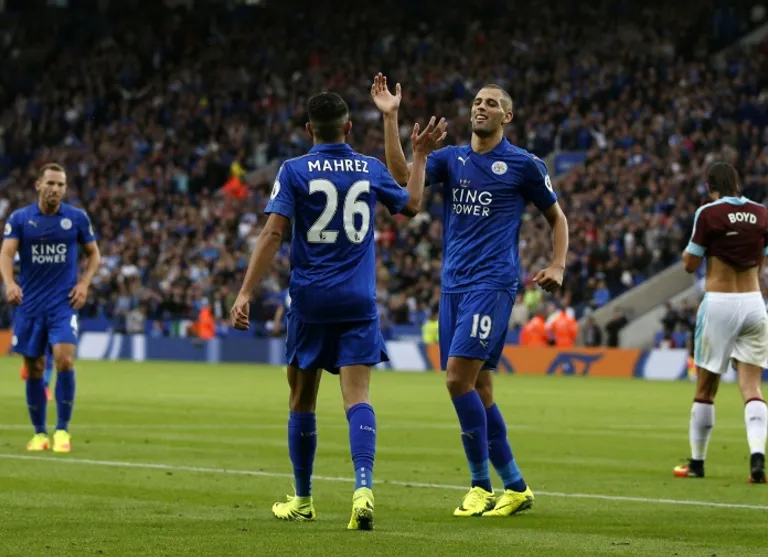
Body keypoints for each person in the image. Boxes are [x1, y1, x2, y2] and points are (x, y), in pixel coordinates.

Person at [229, 92, 446, 530]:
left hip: (310, 301)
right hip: (358, 301)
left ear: (309, 130)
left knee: (301, 400)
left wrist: (246, 291)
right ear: (348, 128)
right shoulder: (368, 168)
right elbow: (412, 205)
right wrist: (419, 153)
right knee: (358, 398)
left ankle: (303, 499)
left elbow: (273, 233)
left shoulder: (294, 170)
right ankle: (362, 488)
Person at [373, 73, 569, 516]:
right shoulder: (452, 159)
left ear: (507, 116)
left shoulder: (523, 164)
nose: (481, 107)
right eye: (478, 101)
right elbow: (403, 179)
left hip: (492, 284)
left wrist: (558, 264)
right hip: (453, 287)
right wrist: (391, 119)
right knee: (479, 388)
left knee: (456, 380)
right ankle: (515, 486)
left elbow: (557, 217)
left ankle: (480, 485)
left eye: (491, 103)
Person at [674, 162, 767, 484]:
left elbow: (690, 264)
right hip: (754, 303)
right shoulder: (761, 213)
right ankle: (758, 458)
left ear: (709, 186)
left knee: (705, 388)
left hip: (720, 303)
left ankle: (697, 463)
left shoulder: (709, 213)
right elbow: (762, 259)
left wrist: (692, 254)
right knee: (752, 387)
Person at [0, 163, 101, 453]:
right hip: (30, 304)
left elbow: (94, 255)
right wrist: (10, 283)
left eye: (61, 185)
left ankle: (62, 431)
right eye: (51, 183)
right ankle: (39, 434)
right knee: (33, 368)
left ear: (65, 189)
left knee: (64, 359)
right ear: (38, 185)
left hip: (63, 304)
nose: (56, 189)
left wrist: (84, 284)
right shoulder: (20, 219)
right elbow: (6, 253)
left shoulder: (76, 218)